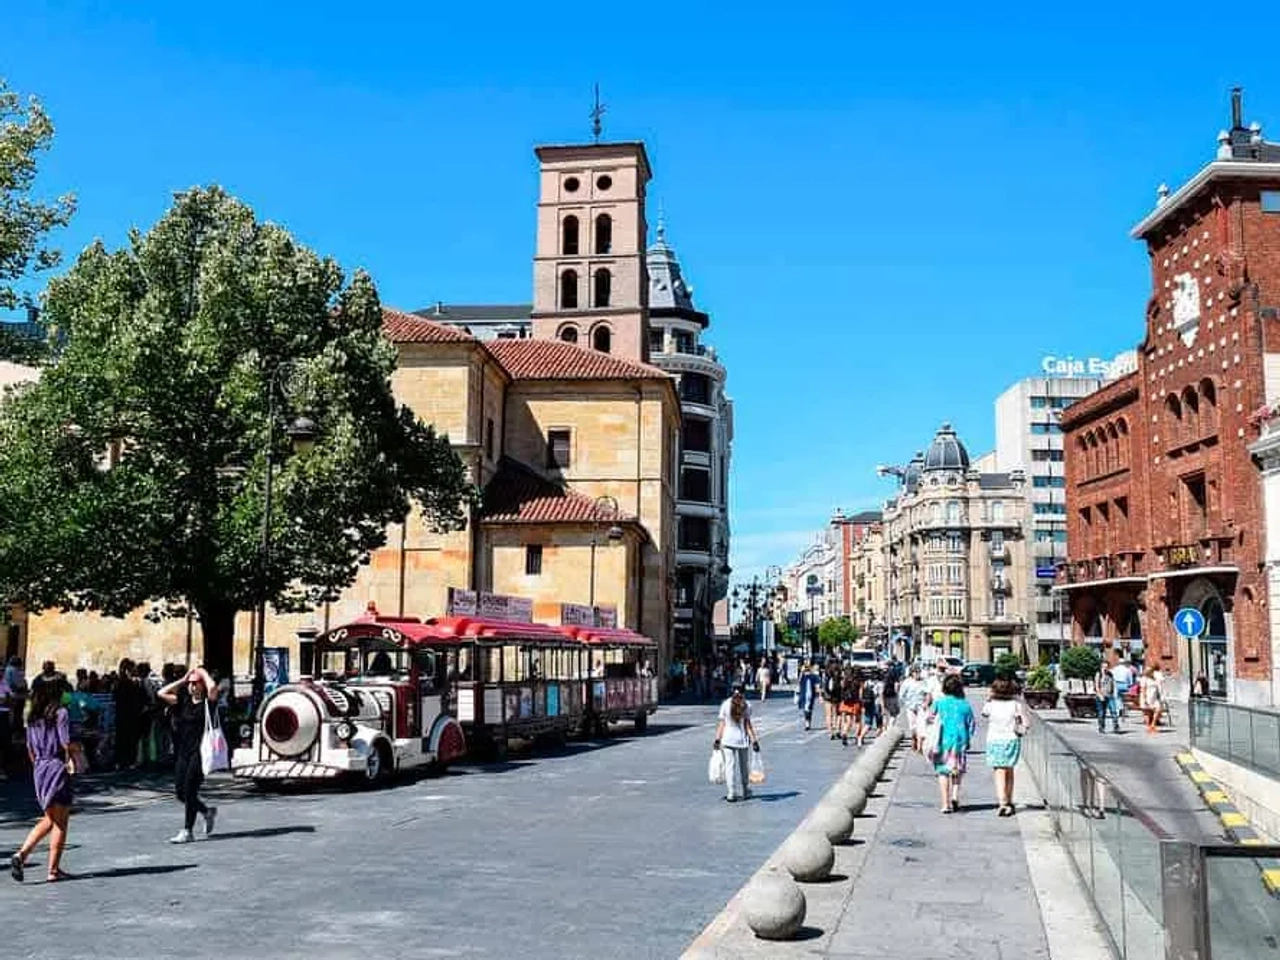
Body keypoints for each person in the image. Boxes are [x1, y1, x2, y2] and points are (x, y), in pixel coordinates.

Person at [10, 676, 82, 882]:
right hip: (57, 765)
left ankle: (21, 855)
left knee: (49, 818)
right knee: (60, 821)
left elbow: (29, 748)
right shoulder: (60, 713)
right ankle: (52, 870)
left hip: (40, 767)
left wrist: (38, 767)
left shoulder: (33, 717)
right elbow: (66, 742)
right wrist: (76, 754)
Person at [157, 666, 220, 843]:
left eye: (196, 683)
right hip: (183, 751)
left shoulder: (209, 703)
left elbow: (213, 688)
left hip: (201, 752)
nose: (192, 686)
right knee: (180, 792)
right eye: (190, 684)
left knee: (190, 790)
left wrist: (202, 672)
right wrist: (184, 679)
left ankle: (187, 831)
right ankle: (206, 812)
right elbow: (161, 693)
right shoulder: (182, 701)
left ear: (202, 685)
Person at [930, 674, 976, 814]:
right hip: (959, 743)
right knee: (956, 771)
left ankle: (945, 803)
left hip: (942, 742)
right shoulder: (965, 704)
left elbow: (929, 718)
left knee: (943, 772)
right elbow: (972, 724)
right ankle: (955, 796)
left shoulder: (939, 702)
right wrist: (968, 739)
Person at [982, 678, 1027, 816]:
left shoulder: (991, 705)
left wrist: (989, 698)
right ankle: (1009, 800)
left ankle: (1002, 802)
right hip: (1011, 740)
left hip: (994, 740)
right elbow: (1026, 722)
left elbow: (984, 713)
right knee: (1009, 770)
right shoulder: (1015, 705)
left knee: (999, 771)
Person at [713, 684, 759, 802]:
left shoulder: (725, 704)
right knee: (744, 766)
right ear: (744, 691)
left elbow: (722, 724)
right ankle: (746, 790)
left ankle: (731, 792)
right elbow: (748, 725)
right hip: (742, 740)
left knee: (730, 766)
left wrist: (717, 739)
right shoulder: (747, 705)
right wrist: (754, 741)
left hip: (727, 739)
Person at [899, 667, 928, 753]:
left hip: (920, 706)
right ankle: (914, 739)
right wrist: (906, 704)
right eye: (915, 672)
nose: (917, 674)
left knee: (921, 725)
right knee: (913, 726)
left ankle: (920, 746)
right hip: (910, 707)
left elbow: (927, 693)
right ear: (912, 673)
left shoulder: (923, 682)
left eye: (918, 672)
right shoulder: (907, 682)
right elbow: (901, 695)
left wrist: (926, 702)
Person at [1094, 659, 1120, 734]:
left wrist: (1114, 692)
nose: (1105, 668)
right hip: (1101, 696)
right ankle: (1101, 727)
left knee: (1114, 711)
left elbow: (1113, 684)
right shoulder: (1098, 674)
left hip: (1110, 696)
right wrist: (1099, 695)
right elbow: (1096, 686)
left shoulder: (1110, 674)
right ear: (1101, 667)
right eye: (1103, 666)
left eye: (1106, 666)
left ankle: (1116, 726)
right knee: (1102, 712)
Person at [1139, 665, 1163, 734]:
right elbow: (1143, 689)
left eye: (1151, 671)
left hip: (1154, 697)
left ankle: (1153, 724)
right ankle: (1149, 727)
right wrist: (1145, 699)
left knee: (1158, 709)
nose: (1150, 672)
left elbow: (1159, 685)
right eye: (1148, 671)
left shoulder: (1154, 678)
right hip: (1147, 697)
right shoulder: (1144, 679)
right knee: (1147, 712)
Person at [796, 661, 819, 731]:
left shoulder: (814, 676)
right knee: (806, 709)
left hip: (810, 696)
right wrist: (801, 672)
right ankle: (807, 723)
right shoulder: (803, 676)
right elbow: (799, 682)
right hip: (804, 694)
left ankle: (808, 723)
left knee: (809, 709)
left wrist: (819, 694)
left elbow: (817, 685)